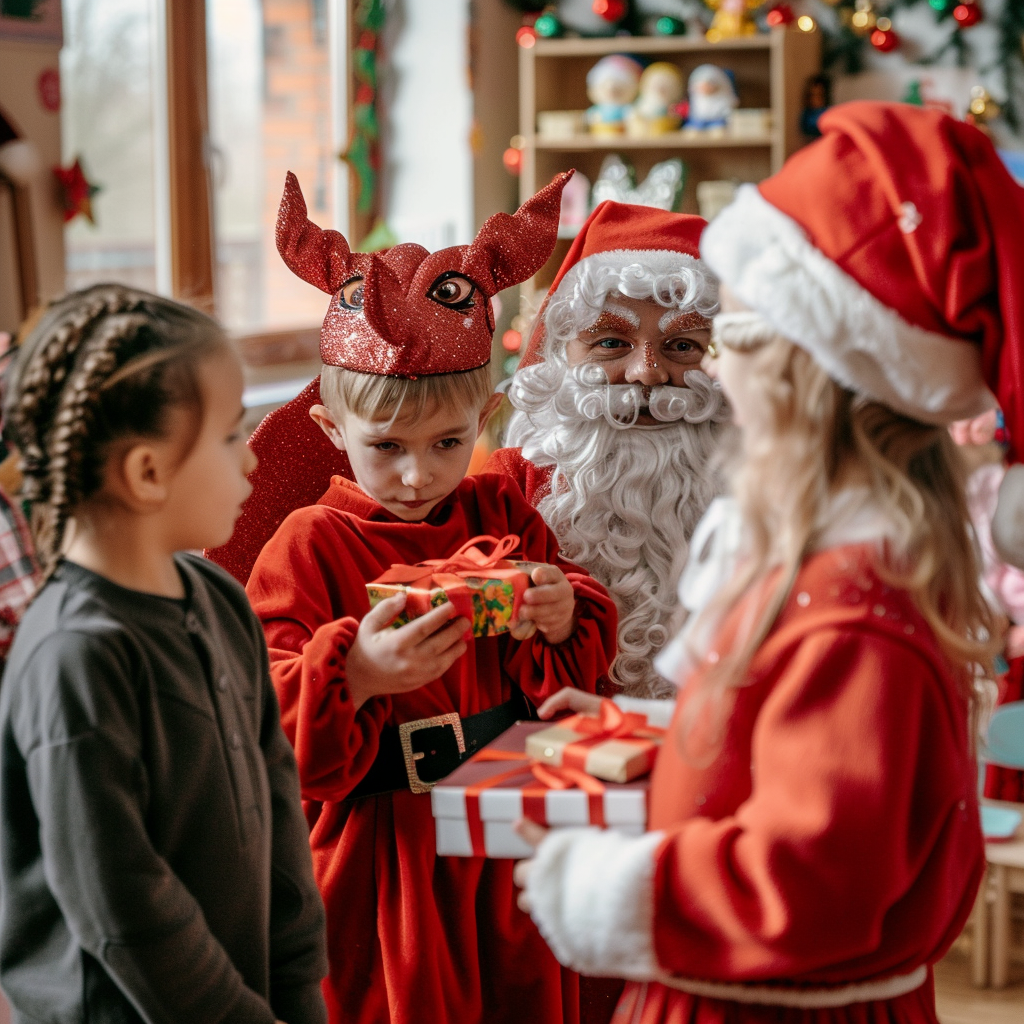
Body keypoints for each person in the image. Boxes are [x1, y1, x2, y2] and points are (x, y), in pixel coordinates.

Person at [513, 100, 1023, 1024]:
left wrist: (604, 893)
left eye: (725, 336)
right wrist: (655, 732)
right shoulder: (828, 563)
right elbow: (801, 762)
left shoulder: (852, 610)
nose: (680, 377)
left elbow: (813, 880)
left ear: (798, 373)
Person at [241, 172, 617, 1024]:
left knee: (517, 993)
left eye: (449, 442)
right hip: (384, 848)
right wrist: (359, 673)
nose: (419, 474)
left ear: (485, 417)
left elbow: (575, 630)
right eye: (388, 448)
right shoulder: (310, 543)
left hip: (508, 833)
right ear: (334, 432)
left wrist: (562, 611)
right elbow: (260, 706)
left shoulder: (496, 510)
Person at [0, 284, 328, 1022]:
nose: (250, 461)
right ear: (148, 473)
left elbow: (279, 819)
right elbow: (125, 912)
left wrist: (299, 991)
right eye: (229, 436)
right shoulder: (74, 657)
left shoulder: (218, 597)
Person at [486, 201, 727, 699]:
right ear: (560, 355)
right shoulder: (506, 488)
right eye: (612, 343)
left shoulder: (773, 485)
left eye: (682, 347)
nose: (647, 374)